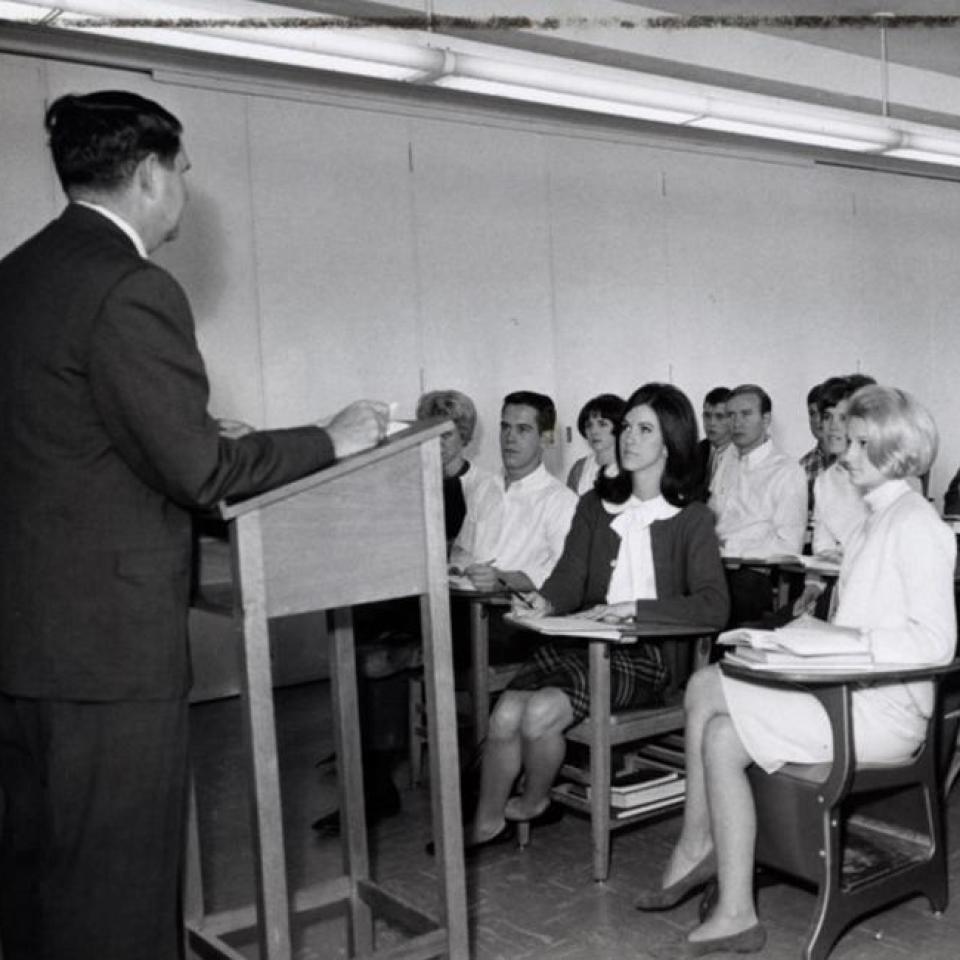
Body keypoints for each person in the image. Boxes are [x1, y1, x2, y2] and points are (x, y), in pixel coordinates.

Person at [0, 90, 388, 960]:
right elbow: (201, 476)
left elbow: (68, 435)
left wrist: (191, 429)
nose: (184, 185)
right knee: (118, 897)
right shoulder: (134, 285)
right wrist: (331, 437)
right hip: (108, 656)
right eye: (180, 168)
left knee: (36, 883)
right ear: (146, 175)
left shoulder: (18, 276)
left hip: (26, 643)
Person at [635, 385, 956, 956]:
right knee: (714, 702)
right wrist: (799, 640)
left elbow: (935, 646)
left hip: (886, 711)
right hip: (851, 691)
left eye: (860, 443)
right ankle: (727, 892)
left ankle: (704, 855)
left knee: (715, 712)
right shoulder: (873, 521)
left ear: (893, 448)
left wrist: (841, 644)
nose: (845, 453)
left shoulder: (917, 525)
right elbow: (862, 624)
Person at [461, 383, 729, 852]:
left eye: (645, 430)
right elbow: (569, 577)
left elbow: (713, 606)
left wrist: (636, 609)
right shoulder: (593, 505)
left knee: (540, 712)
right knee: (505, 714)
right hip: (582, 641)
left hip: (645, 656)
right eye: (627, 427)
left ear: (670, 442)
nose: (628, 438)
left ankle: (533, 801)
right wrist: (545, 601)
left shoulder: (692, 518)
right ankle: (486, 824)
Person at [449, 390, 577, 596]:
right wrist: (457, 569)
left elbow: (565, 573)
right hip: (467, 605)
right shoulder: (483, 487)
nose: (510, 438)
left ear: (546, 439)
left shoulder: (562, 501)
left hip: (516, 613)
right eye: (505, 427)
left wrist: (504, 579)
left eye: (523, 430)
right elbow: (462, 549)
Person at [709, 384, 807, 624]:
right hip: (713, 564)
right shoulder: (726, 460)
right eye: (731, 415)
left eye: (746, 414)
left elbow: (789, 546)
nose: (736, 423)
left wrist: (732, 546)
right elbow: (712, 515)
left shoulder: (787, 471)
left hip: (754, 572)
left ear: (765, 419)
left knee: (741, 588)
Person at [416, 389, 499, 552]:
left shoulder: (487, 484)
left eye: (445, 435)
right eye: (431, 434)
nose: (437, 442)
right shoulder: (414, 485)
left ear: (463, 434)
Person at [566, 393, 626, 496]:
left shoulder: (633, 467)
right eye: (589, 425)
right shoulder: (579, 468)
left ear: (619, 426)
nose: (594, 431)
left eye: (602, 424)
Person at [799, 380, 829, 516]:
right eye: (812, 413)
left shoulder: (853, 461)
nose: (817, 419)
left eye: (824, 413)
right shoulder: (803, 466)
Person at [697, 386, 733, 495]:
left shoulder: (743, 456)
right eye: (707, 416)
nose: (711, 423)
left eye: (719, 417)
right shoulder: (694, 452)